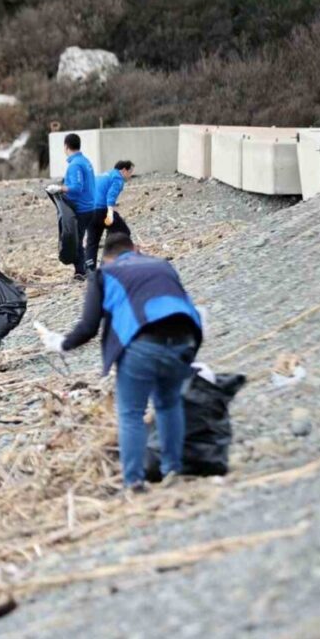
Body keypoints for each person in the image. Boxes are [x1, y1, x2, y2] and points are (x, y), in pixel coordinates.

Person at [34, 233, 202, 493]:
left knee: (131, 413)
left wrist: (61, 344)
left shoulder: (104, 273)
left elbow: (89, 326)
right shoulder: (162, 264)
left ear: (107, 256)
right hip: (184, 339)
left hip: (141, 344)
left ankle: (134, 481)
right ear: (136, 248)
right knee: (169, 404)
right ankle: (173, 469)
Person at [46, 133, 98, 279]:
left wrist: (59, 189)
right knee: (79, 239)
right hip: (90, 206)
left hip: (82, 208)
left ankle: (81, 271)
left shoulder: (75, 165)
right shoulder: (85, 161)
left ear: (66, 146)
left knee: (76, 240)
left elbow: (76, 187)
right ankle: (86, 269)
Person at [93, 160, 134, 241]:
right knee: (124, 231)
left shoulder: (104, 175)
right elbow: (111, 196)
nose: (131, 175)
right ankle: (117, 251)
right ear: (124, 170)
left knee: (92, 242)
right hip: (102, 209)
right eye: (130, 172)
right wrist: (110, 212)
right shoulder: (117, 178)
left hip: (90, 209)